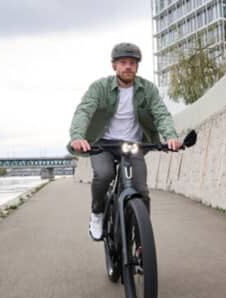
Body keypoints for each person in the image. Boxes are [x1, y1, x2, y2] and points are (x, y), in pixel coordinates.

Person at [67, 42, 181, 241]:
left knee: (141, 191)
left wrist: (170, 136)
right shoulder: (100, 87)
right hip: (103, 144)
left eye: (132, 63)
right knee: (104, 174)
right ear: (114, 65)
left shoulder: (147, 89)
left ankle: (141, 240)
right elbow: (84, 111)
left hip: (132, 145)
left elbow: (161, 113)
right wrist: (77, 136)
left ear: (137, 66)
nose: (128, 66)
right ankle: (97, 213)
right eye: (123, 62)